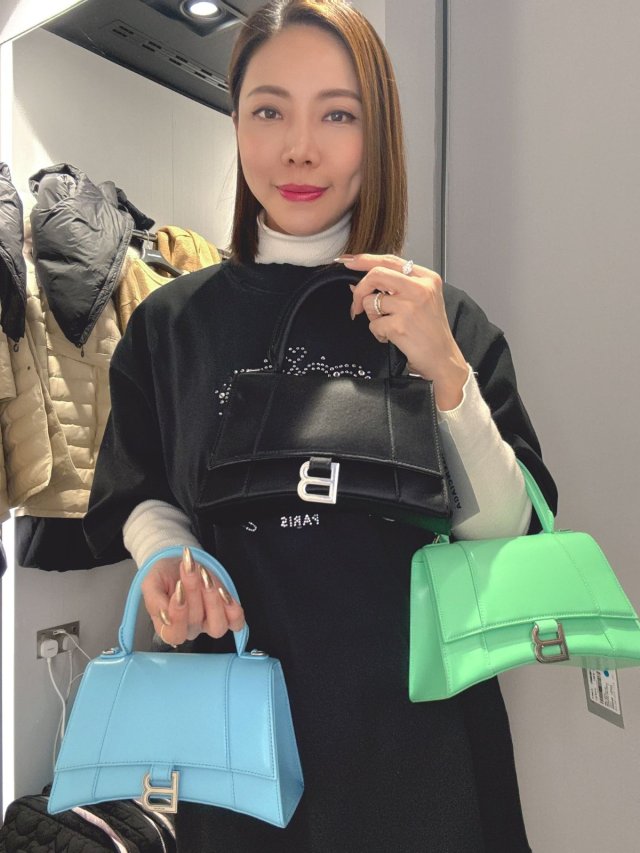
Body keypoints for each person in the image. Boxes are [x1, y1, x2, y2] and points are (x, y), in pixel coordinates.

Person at [85, 1, 557, 850]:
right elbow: (143, 485)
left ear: (378, 135)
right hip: (240, 754)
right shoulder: (172, 325)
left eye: (338, 115)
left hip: (422, 757)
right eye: (269, 111)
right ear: (237, 122)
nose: (299, 148)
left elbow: (508, 532)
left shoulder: (446, 319)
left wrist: (446, 373)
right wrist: (169, 560)